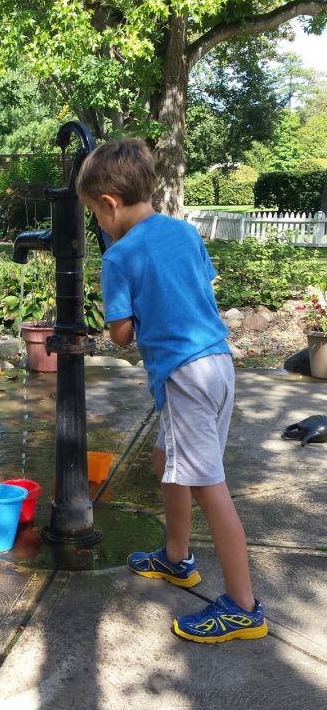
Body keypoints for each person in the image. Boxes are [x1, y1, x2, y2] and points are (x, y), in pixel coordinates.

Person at [76, 139, 267, 644]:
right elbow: (201, 287)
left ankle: (243, 606)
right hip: (217, 364)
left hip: (184, 375)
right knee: (167, 463)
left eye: (95, 212)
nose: (98, 222)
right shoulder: (183, 232)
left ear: (110, 204)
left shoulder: (119, 256)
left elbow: (119, 333)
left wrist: (118, 300)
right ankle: (177, 557)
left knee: (210, 487)